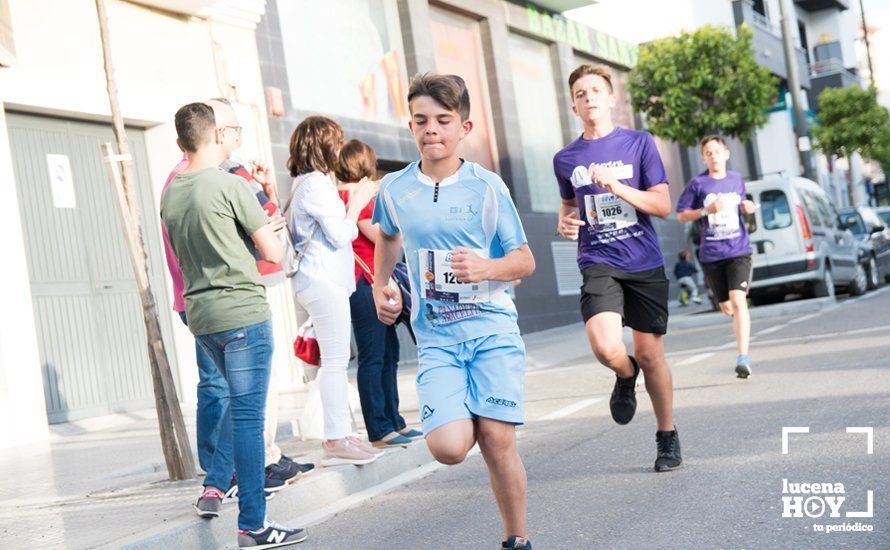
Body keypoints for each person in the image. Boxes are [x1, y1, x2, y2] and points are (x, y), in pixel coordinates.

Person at [373, 73, 536, 550]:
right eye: (422, 121)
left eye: (443, 121)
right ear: (411, 126)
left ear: (464, 127)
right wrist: (382, 285)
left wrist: (486, 266)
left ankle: (517, 538)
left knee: (497, 440)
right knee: (447, 448)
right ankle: (463, 413)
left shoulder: (488, 187)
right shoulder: (396, 188)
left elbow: (524, 259)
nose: (432, 130)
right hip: (437, 337)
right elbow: (386, 234)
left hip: (492, 331)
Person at [161, 102, 307, 548]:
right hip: (241, 310)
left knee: (233, 409)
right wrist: (270, 228)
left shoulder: (172, 190)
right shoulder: (229, 184)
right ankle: (253, 526)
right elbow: (274, 254)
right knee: (247, 418)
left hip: (201, 316)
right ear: (214, 136)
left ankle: (216, 485)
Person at [553, 64, 681, 472]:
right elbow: (570, 205)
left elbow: (663, 206)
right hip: (598, 260)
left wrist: (618, 187)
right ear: (574, 106)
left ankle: (667, 436)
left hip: (643, 261)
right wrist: (564, 221)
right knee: (608, 348)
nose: (588, 96)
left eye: (595, 90)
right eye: (580, 93)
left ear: (611, 99)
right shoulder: (565, 158)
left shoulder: (639, 143)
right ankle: (625, 377)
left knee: (649, 353)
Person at [285, 116, 382, 465]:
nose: (340, 148)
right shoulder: (316, 186)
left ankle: (341, 434)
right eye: (336, 141)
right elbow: (343, 234)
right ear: (323, 145)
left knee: (337, 361)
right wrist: (356, 203)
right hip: (322, 280)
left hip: (319, 280)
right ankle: (336, 438)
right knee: (337, 362)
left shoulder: (305, 184)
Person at [335, 140, 422, 448]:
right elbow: (383, 236)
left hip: (373, 282)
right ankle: (380, 426)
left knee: (387, 352)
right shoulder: (354, 197)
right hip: (365, 283)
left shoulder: (344, 194)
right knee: (376, 355)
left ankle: (392, 421)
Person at [676, 135, 756, 378]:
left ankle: (743, 358)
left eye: (717, 151)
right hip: (711, 254)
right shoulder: (697, 184)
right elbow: (681, 215)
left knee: (738, 300)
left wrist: (747, 207)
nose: (713, 156)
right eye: (708, 153)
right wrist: (704, 210)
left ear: (726, 154)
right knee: (727, 305)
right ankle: (732, 316)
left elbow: (743, 205)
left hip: (738, 249)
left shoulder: (736, 179)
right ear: (703, 157)